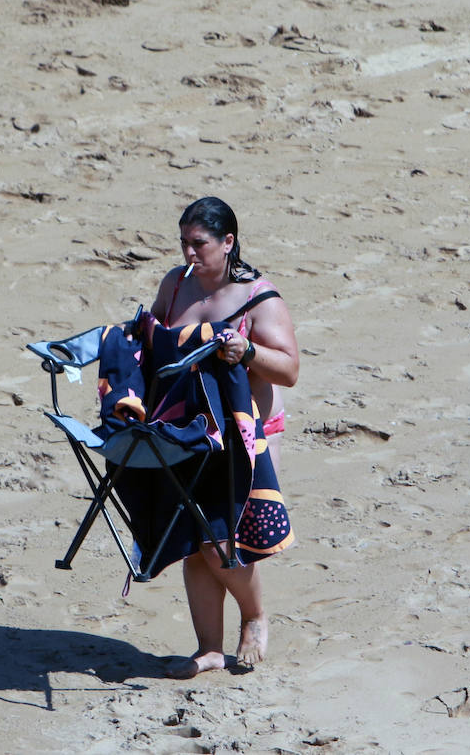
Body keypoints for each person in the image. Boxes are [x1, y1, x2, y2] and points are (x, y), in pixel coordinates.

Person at [149, 195, 299, 678]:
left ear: (228, 242)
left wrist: (248, 350)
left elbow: (290, 370)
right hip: (189, 429)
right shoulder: (176, 285)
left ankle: (254, 618)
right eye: (184, 243)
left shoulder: (260, 297)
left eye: (200, 244)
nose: (189, 254)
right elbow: (152, 340)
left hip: (245, 432)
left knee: (219, 539)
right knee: (194, 541)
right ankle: (209, 648)